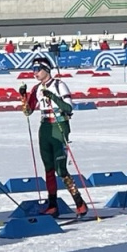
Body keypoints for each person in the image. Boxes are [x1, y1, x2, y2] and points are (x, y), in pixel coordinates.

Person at [19, 56, 88, 218]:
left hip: (59, 126)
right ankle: (52, 205)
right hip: (44, 128)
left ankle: (79, 202)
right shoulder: (36, 88)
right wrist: (23, 97)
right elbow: (27, 111)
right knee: (48, 169)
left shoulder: (59, 85)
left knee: (60, 169)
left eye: (37, 70)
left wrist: (53, 96)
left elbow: (69, 108)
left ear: (46, 70)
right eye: (33, 70)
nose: (34, 73)